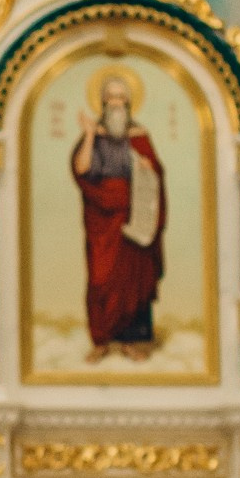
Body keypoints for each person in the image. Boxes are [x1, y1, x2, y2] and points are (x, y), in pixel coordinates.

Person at [71, 73, 166, 358]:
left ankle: (129, 341)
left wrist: (149, 168)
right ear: (102, 102)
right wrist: (89, 134)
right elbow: (81, 169)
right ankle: (100, 341)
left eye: (121, 97)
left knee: (132, 280)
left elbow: (156, 173)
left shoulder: (139, 135)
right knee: (101, 279)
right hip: (102, 219)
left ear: (128, 102)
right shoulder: (94, 134)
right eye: (111, 97)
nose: (116, 103)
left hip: (135, 215)